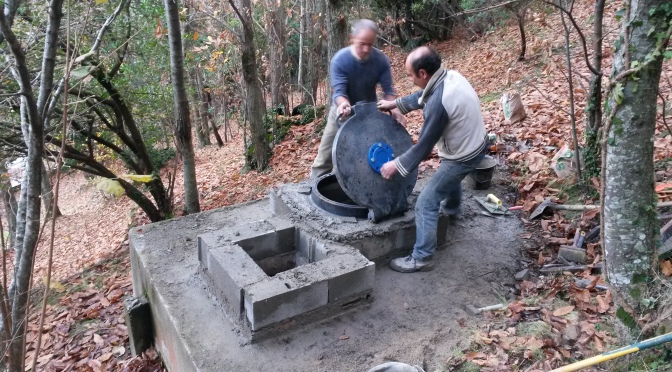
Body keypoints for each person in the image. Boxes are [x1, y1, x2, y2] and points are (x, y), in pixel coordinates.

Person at [377, 46, 489, 273]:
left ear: (423, 74)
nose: (409, 79)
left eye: (410, 75)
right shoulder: (449, 76)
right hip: (477, 143)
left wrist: (395, 165)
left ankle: (422, 257)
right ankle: (452, 210)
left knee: (426, 202)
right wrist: (396, 104)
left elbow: (424, 147)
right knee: (449, 178)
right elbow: (423, 96)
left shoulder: (439, 103)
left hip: (463, 155)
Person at [310, 19, 406, 179]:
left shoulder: (380, 59)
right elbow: (339, 92)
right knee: (325, 157)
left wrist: (394, 109)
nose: (366, 49)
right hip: (342, 112)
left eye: (370, 44)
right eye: (362, 43)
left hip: (369, 112)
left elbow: (388, 90)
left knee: (366, 154)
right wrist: (344, 104)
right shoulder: (340, 60)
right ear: (352, 38)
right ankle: (313, 190)